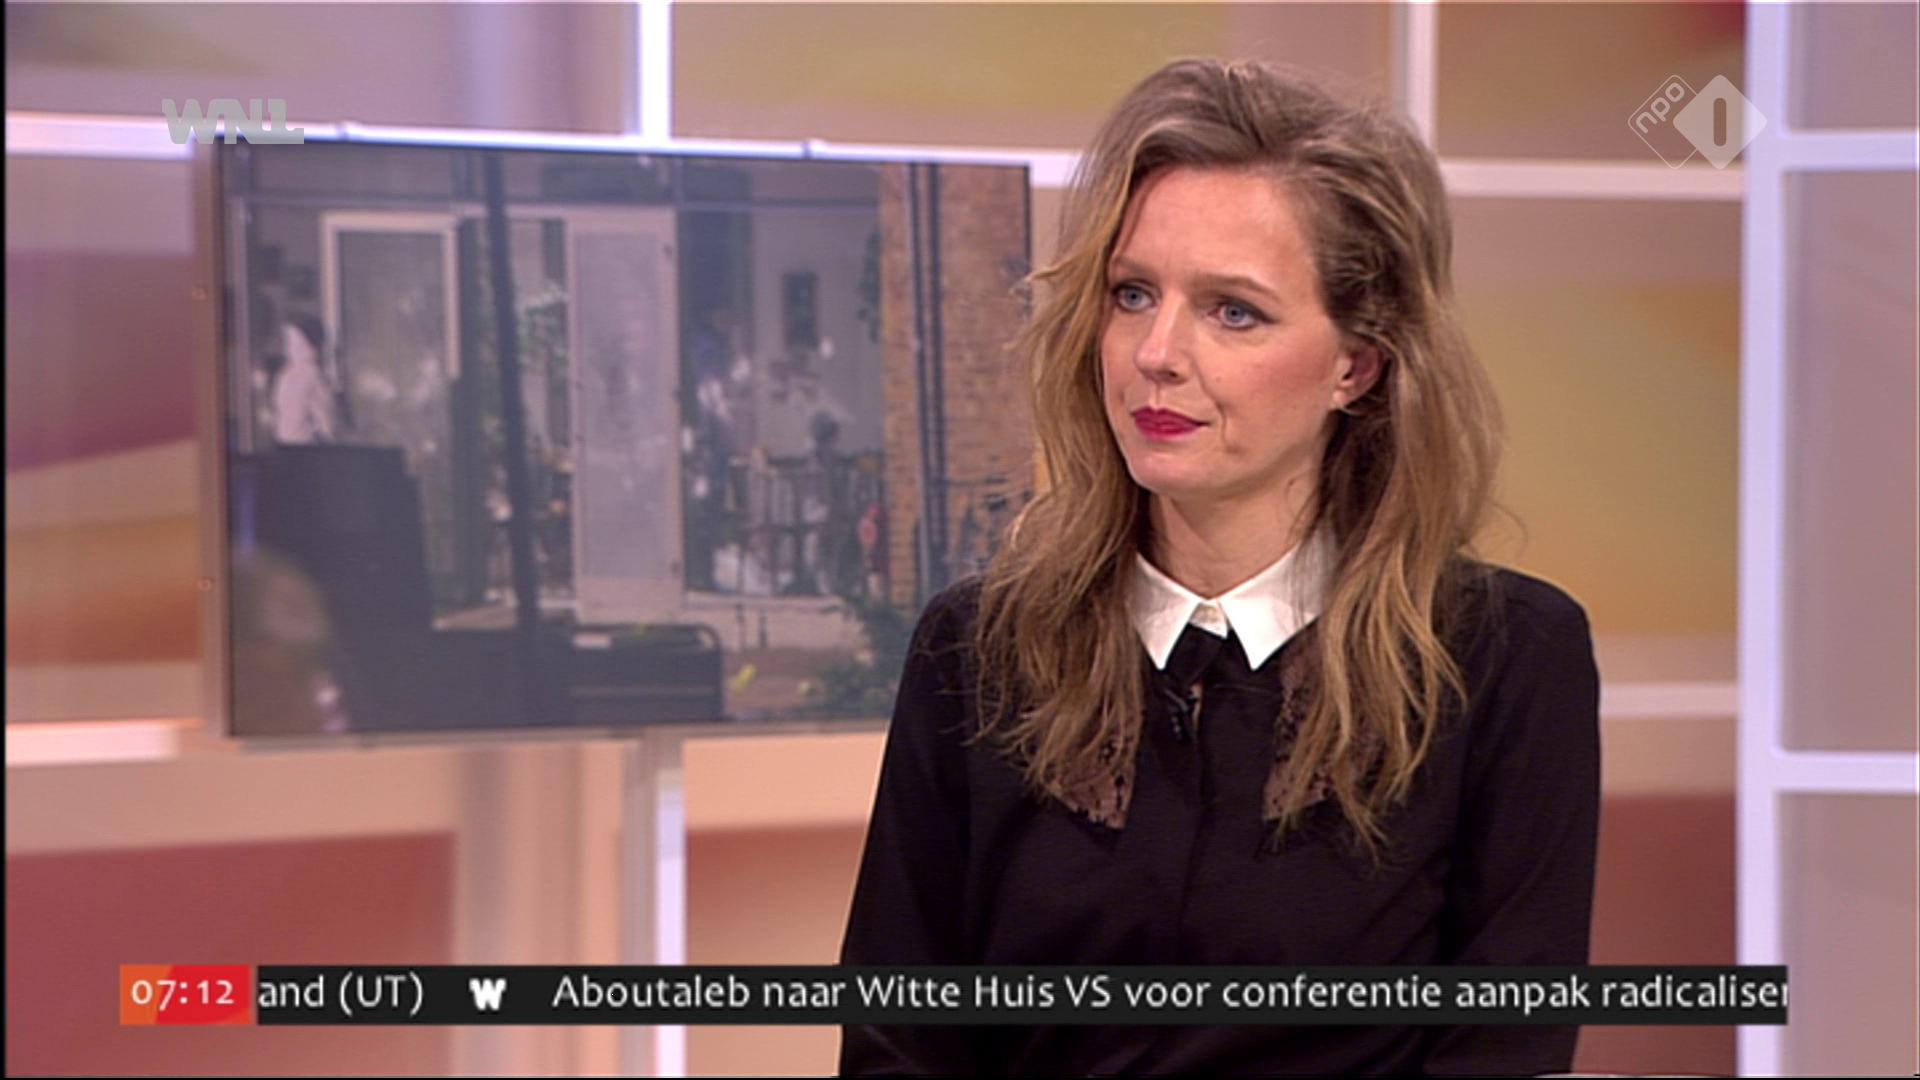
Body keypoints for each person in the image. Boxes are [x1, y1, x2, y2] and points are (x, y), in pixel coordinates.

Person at [839, 58, 1600, 1077]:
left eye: (1232, 311)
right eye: (1132, 294)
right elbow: (895, 1041)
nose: (1156, 353)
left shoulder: (1506, 658)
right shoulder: (977, 646)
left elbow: (1502, 1052)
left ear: (1357, 365)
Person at [271, 314, 338, 444]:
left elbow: (327, 425)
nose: (289, 347)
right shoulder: (285, 374)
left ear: (310, 346)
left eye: (295, 342)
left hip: (304, 447)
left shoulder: (314, 376)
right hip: (283, 444)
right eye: (288, 341)